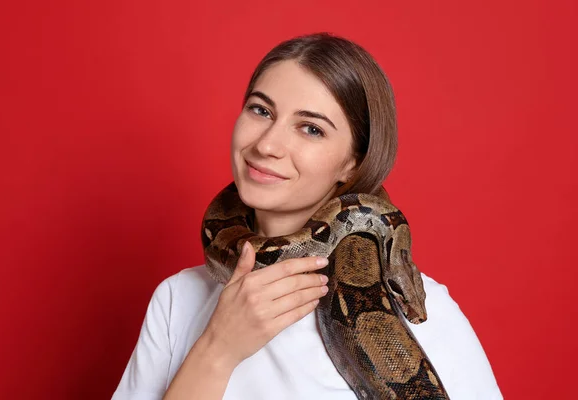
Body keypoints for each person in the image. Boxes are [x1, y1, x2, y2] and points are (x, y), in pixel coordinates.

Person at [111, 32, 503, 400]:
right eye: (261, 110)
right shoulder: (177, 300)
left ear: (352, 164)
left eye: (311, 129)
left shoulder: (427, 312)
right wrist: (217, 349)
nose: (267, 144)